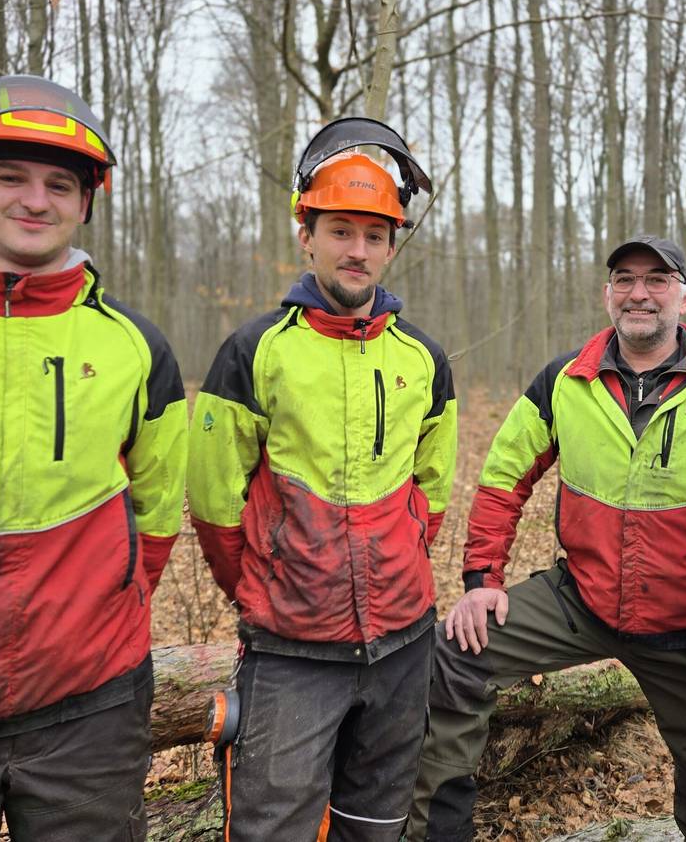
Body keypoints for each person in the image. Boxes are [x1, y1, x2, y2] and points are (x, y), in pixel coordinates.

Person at [408, 235, 686, 842]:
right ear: (606, 293)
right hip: (582, 601)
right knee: (457, 653)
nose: (638, 293)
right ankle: (436, 831)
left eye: (657, 280)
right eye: (624, 278)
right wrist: (482, 581)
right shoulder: (566, 380)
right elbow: (502, 478)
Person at [188, 117, 458, 841]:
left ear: (392, 247)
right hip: (290, 652)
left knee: (377, 824)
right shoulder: (254, 351)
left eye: (373, 236)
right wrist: (265, 585)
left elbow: (431, 490)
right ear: (306, 235)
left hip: (403, 644)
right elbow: (213, 505)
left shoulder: (425, 360)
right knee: (272, 828)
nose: (357, 250)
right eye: (340, 230)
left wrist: (397, 563)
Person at [0, 74, 187, 841]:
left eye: (60, 184)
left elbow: (158, 512)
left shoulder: (135, 348)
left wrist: (111, 606)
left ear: (86, 201)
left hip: (90, 705)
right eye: (10, 177)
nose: (35, 200)